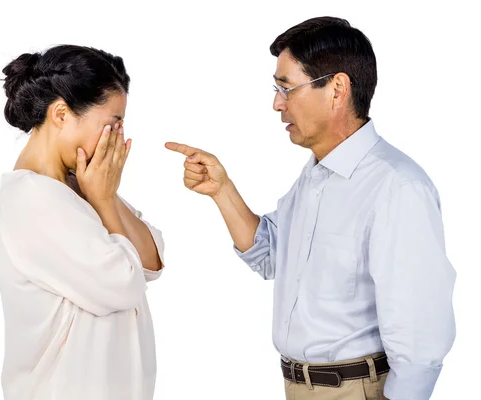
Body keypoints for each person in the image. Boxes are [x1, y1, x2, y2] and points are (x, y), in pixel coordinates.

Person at [166, 17, 455, 400]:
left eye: (286, 87)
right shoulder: (315, 177)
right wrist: (222, 190)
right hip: (301, 388)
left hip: (358, 391)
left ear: (337, 89)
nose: (276, 103)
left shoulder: (398, 187)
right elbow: (270, 256)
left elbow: (420, 335)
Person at [0, 44, 165, 400]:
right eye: (112, 123)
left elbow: (151, 259)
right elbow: (124, 281)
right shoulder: (33, 198)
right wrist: (103, 199)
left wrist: (104, 195)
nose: (117, 138)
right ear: (60, 114)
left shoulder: (78, 186)